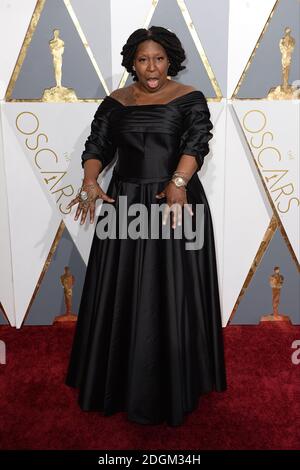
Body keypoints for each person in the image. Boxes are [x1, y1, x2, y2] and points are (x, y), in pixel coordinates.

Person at [65, 26, 227, 426]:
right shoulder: (115, 102)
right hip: (124, 203)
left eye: (158, 58)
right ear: (131, 63)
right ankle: (117, 381)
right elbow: (97, 146)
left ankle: (178, 380)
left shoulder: (189, 98)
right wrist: (89, 182)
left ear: (170, 59)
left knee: (173, 289)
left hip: (175, 202)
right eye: (142, 59)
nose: (151, 68)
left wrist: (177, 183)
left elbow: (196, 143)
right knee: (122, 289)